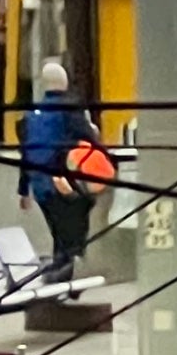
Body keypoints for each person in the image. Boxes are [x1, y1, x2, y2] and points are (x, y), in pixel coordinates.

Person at [17, 60, 102, 283]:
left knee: (59, 234)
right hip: (64, 185)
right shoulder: (70, 110)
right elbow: (90, 140)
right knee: (74, 230)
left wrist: (24, 191)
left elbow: (26, 153)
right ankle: (62, 280)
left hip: (41, 188)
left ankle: (60, 277)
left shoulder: (32, 116)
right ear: (64, 83)